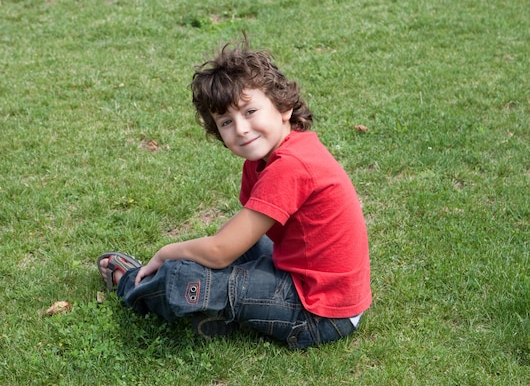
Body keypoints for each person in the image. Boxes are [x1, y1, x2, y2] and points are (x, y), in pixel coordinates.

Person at [97, 39, 371, 349]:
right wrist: (214, 254)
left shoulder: (291, 165)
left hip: (321, 314)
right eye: (226, 122)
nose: (241, 129)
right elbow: (237, 235)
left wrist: (166, 251)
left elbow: (220, 251)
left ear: (284, 107)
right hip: (308, 279)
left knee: (185, 274)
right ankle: (214, 314)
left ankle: (131, 286)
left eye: (250, 111)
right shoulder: (266, 159)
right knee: (234, 252)